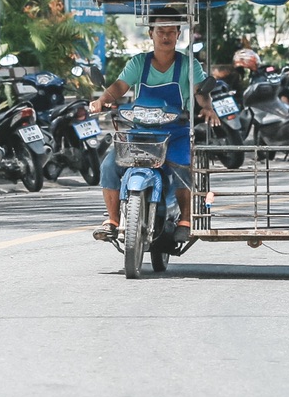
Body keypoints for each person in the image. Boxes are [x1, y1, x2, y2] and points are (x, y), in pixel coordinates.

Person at [90, 19, 219, 241]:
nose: (166, 36)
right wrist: (102, 100)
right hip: (140, 132)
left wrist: (207, 108)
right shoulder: (139, 63)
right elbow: (120, 86)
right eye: (161, 32)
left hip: (175, 131)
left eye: (171, 31)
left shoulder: (189, 64)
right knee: (110, 164)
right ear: (151, 33)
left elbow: (200, 90)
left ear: (178, 34)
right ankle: (112, 221)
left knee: (184, 166)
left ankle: (185, 220)